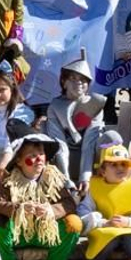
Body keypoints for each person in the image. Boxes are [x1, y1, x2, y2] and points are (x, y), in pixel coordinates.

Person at [0, 133, 81, 260]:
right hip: (19, 235)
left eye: (41, 154)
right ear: (19, 161)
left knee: (74, 224)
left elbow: (69, 204)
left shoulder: (53, 179)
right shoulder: (9, 181)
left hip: (46, 234)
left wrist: (51, 210)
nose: (39, 159)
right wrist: (19, 209)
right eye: (32, 155)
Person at [43, 52, 108, 188]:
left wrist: (85, 177)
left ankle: (107, 179)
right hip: (63, 160)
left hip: (89, 161)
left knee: (110, 137)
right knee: (43, 128)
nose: (79, 82)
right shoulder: (55, 106)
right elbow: (59, 142)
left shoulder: (94, 103)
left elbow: (90, 142)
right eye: (73, 78)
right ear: (64, 82)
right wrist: (65, 179)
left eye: (83, 79)